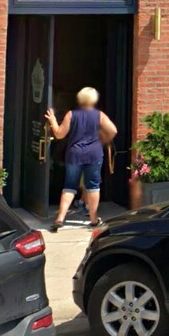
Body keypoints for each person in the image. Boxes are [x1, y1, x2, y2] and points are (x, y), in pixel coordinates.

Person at [44, 87, 118, 234]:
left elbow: (59, 134)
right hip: (94, 154)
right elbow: (113, 130)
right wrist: (102, 140)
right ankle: (93, 218)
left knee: (69, 186)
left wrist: (53, 121)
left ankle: (59, 218)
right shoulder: (99, 115)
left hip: (74, 154)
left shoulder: (71, 114)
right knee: (93, 186)